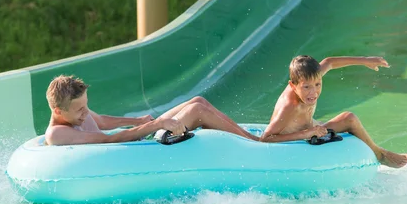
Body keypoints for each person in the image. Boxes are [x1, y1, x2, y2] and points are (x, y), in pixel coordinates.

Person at [260, 55, 407, 168]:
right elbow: (265, 138)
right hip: (294, 142)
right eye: (306, 87)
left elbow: (330, 62)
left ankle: (379, 153)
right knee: (345, 119)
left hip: (310, 129)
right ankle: (381, 155)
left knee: (349, 118)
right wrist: (305, 134)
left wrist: (365, 60)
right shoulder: (289, 106)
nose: (313, 92)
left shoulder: (312, 76)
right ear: (293, 86)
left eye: (318, 84)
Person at [44, 75, 258, 145]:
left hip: (139, 141)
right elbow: (109, 139)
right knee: (196, 112)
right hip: (138, 152)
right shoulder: (57, 134)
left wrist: (139, 121)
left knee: (198, 101)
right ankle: (256, 145)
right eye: (79, 110)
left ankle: (251, 139)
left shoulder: (78, 115)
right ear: (58, 111)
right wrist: (155, 124)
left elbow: (103, 122)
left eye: (86, 106)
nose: (86, 113)